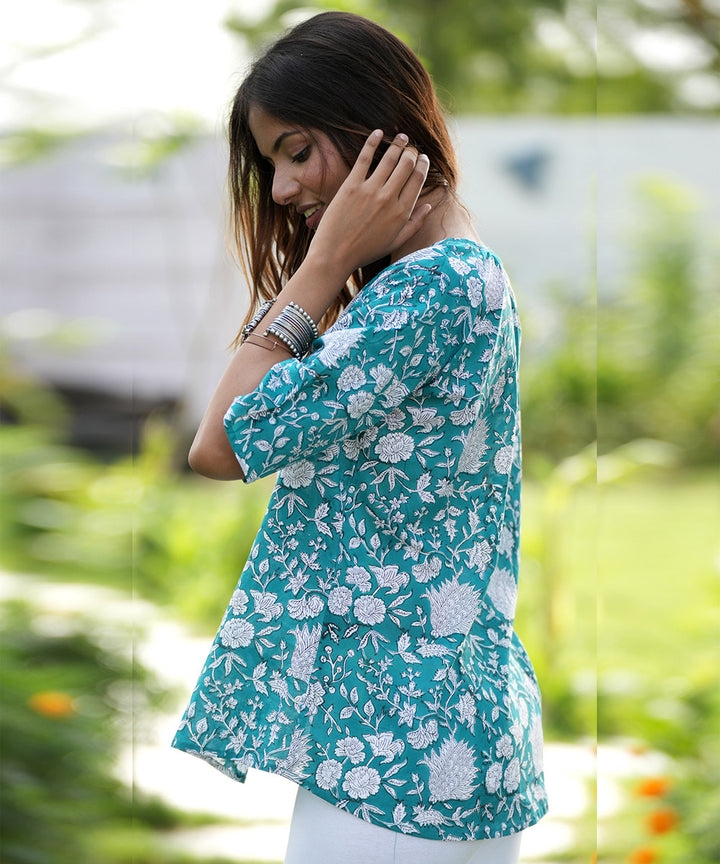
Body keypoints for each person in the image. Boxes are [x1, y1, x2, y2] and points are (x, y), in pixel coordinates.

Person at [172, 11, 548, 863]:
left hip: (400, 746)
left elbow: (220, 446)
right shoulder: (454, 277)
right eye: (273, 163)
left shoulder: (432, 289)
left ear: (380, 130)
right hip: (429, 730)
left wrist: (319, 263)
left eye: (297, 151)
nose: (280, 191)